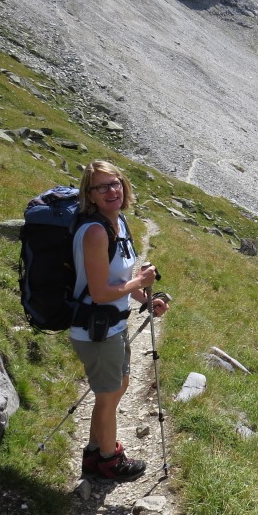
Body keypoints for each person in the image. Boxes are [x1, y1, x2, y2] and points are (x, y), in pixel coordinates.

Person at [70, 160, 169, 481]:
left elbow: (119, 280)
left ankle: (94, 453)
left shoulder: (118, 222)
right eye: (101, 187)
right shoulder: (95, 232)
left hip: (113, 325)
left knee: (116, 389)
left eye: (115, 183)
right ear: (90, 195)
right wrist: (141, 282)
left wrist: (145, 299)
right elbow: (100, 292)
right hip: (95, 330)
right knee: (108, 395)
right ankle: (109, 460)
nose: (111, 191)